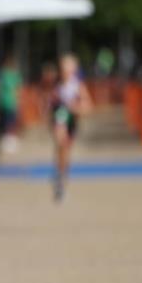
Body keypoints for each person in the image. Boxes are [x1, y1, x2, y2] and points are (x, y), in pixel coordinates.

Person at [49, 53, 93, 202]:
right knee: (60, 141)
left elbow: (88, 107)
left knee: (65, 152)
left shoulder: (78, 86)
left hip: (71, 122)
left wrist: (75, 107)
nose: (65, 71)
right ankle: (59, 176)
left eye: (68, 68)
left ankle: (61, 178)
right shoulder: (56, 84)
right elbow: (48, 104)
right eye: (63, 68)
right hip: (59, 119)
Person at [0, 53, 22, 156]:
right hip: (3, 103)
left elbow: (18, 89)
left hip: (12, 103)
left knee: (11, 123)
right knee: (4, 123)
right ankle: (4, 142)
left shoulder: (15, 75)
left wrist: (18, 101)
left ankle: (11, 141)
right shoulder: (1, 74)